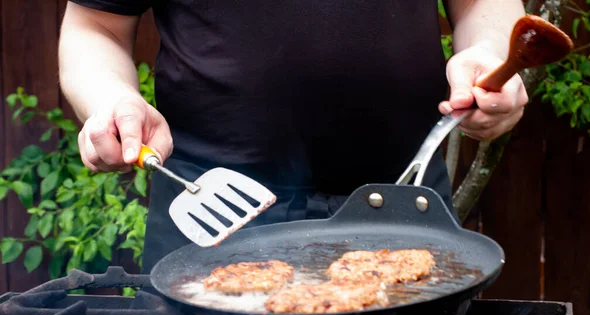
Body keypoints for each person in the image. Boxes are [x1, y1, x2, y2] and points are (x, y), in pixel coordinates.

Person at [59, 0, 528, 273]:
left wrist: (490, 56)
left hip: (403, 206)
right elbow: (94, 27)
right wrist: (110, 97)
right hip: (213, 215)